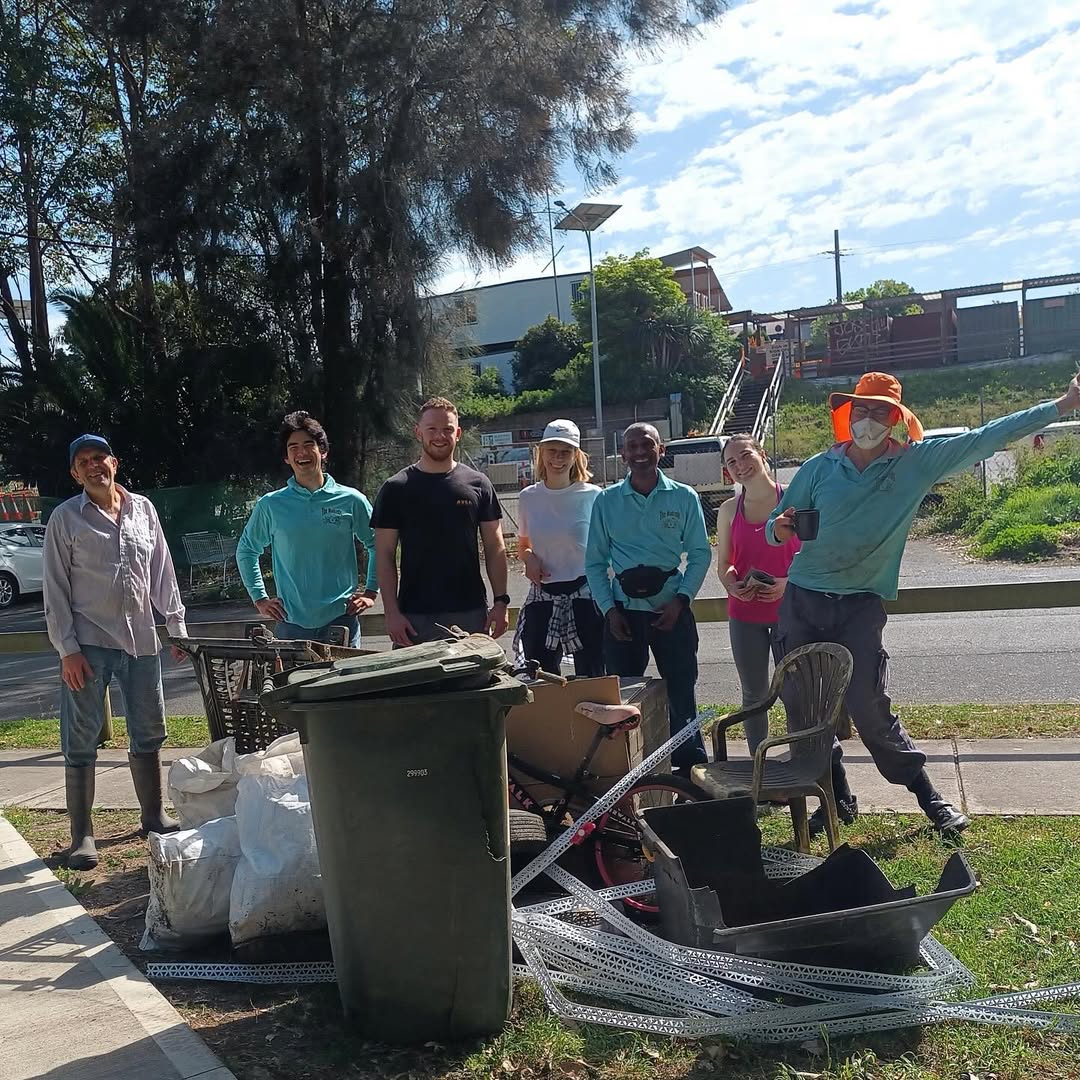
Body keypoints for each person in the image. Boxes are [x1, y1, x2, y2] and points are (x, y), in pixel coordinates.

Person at [767, 370, 1080, 836]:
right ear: (848, 415)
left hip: (859, 605)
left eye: (878, 411)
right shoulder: (819, 467)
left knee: (868, 707)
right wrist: (782, 528)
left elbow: (985, 437)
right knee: (804, 708)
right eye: (861, 409)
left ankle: (930, 799)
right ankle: (835, 799)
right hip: (803, 599)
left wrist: (1063, 404)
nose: (868, 419)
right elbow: (779, 520)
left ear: (895, 419)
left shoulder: (916, 463)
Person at [43, 435, 187, 870]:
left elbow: (161, 568)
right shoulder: (65, 519)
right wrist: (67, 649)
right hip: (88, 644)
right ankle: (82, 835)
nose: (93, 467)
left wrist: (175, 626)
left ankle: (152, 816)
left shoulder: (143, 509)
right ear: (74, 473)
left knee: (148, 728)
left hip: (142, 639)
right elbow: (55, 587)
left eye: (99, 458)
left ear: (114, 463)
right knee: (82, 738)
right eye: (83, 462)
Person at [585, 422, 712, 772]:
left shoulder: (684, 497)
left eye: (647, 445)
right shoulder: (607, 501)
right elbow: (595, 562)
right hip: (623, 613)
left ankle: (689, 769)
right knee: (624, 697)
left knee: (681, 692)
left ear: (661, 450)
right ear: (623, 453)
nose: (640, 451)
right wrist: (610, 611)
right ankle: (628, 770)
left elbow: (700, 553)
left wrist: (681, 599)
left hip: (670, 609)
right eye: (632, 446)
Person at [372, 396, 510, 645]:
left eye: (447, 429)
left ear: (457, 433)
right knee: (415, 685)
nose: (440, 436)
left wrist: (501, 601)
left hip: (470, 613)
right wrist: (391, 613)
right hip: (413, 617)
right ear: (418, 433)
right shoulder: (395, 488)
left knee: (473, 684)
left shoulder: (478, 484)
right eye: (432, 429)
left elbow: (495, 546)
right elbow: (384, 554)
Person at [236, 411, 378, 647]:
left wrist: (371, 592)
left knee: (343, 685)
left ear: (323, 452)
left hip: (341, 622)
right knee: (295, 685)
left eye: (308, 445)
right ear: (286, 458)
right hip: (291, 625)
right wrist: (260, 598)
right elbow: (247, 550)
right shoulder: (271, 505)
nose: (301, 452)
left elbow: (378, 544)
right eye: (293, 447)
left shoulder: (351, 500)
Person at [715, 433, 801, 753]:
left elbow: (816, 557)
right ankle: (759, 766)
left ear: (762, 454)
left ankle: (800, 762)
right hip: (745, 613)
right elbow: (725, 563)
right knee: (754, 694)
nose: (740, 465)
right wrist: (731, 584)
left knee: (795, 691)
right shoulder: (728, 509)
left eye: (745, 455)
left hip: (790, 611)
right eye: (732, 462)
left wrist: (786, 584)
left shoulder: (794, 499)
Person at [512, 419, 604, 676]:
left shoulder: (594, 496)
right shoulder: (528, 497)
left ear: (576, 455)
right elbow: (523, 545)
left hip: (585, 597)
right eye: (552, 450)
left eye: (565, 452)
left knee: (592, 676)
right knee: (540, 675)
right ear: (542, 453)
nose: (558, 458)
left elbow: (604, 551)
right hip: (544, 597)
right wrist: (528, 558)